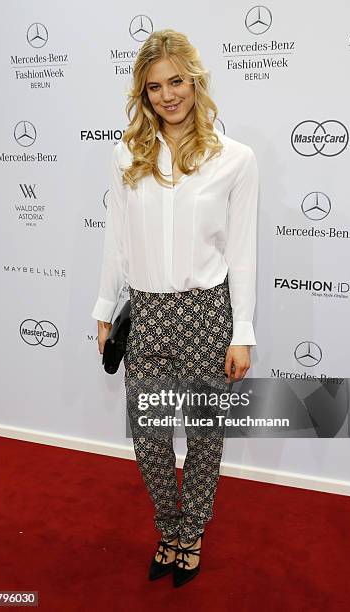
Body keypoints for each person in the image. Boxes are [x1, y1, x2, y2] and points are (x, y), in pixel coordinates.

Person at [91, 28, 259, 588]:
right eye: (155, 86)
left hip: (208, 313)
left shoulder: (234, 159)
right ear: (143, 94)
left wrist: (244, 331)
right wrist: (102, 306)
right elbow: (115, 238)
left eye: (177, 82)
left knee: (206, 436)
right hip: (147, 314)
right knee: (151, 436)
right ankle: (168, 526)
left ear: (196, 82)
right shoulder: (125, 156)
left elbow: (242, 253)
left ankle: (193, 535)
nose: (168, 96)